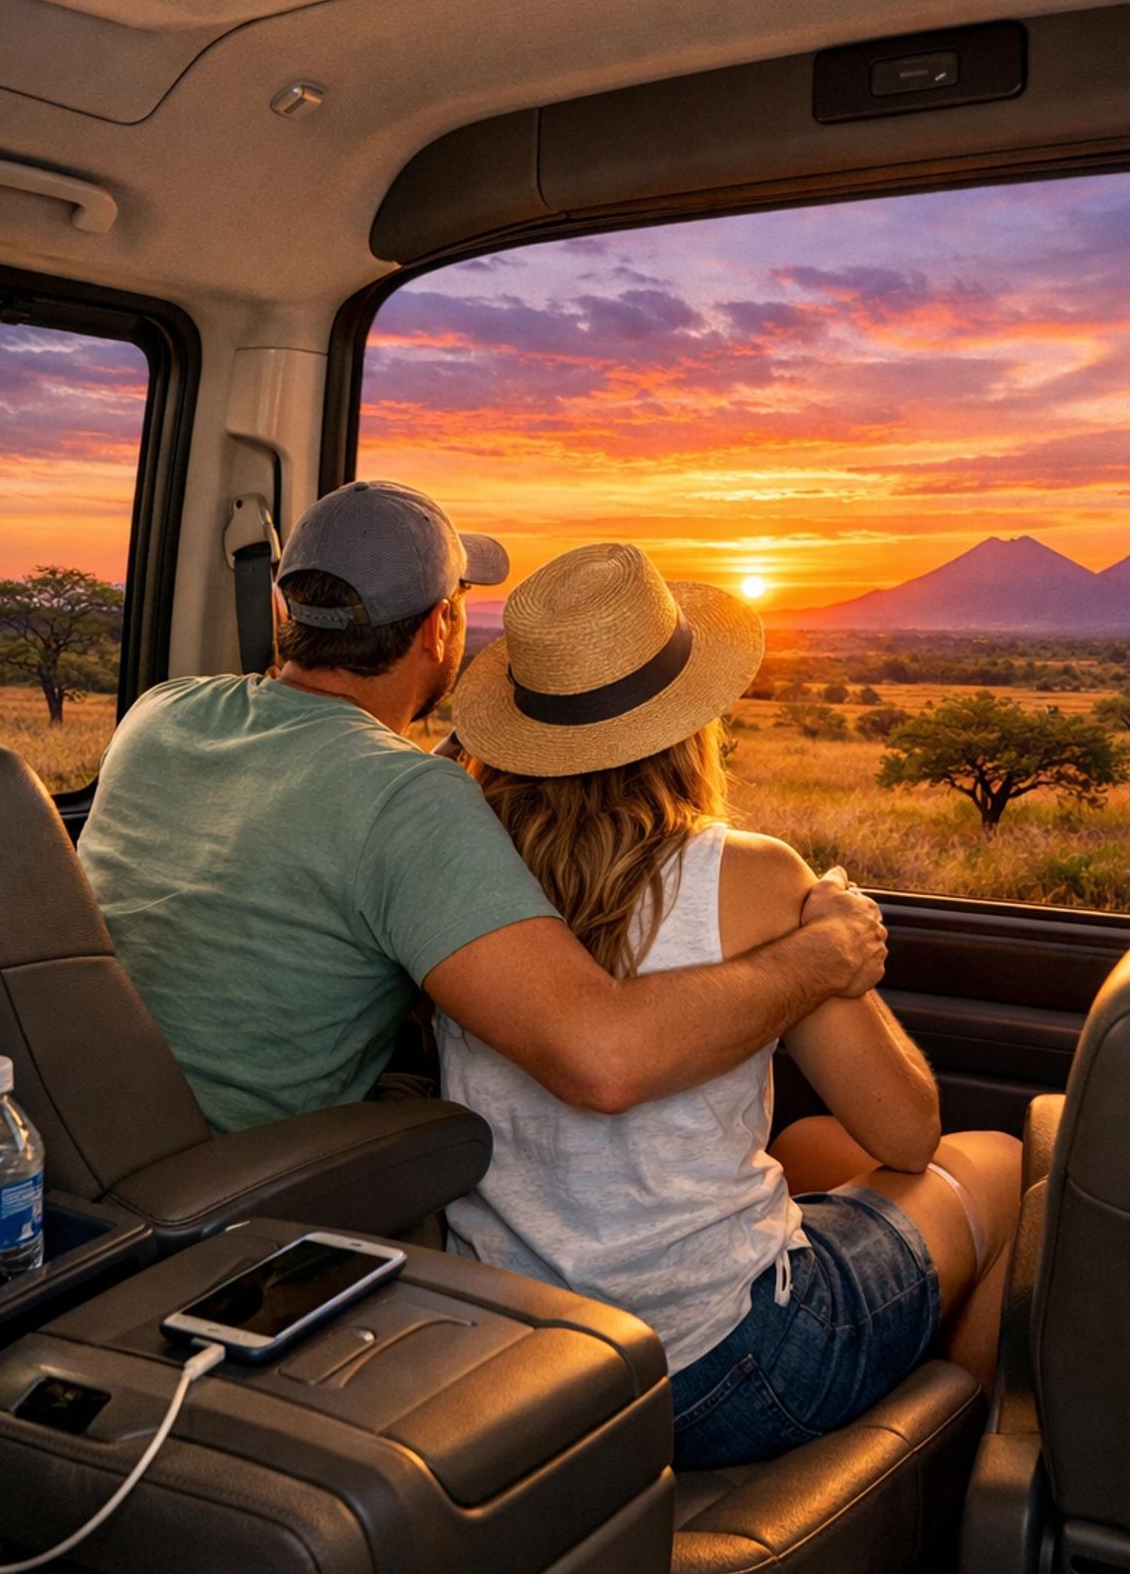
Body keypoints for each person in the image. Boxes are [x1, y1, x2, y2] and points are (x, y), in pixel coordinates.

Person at [437, 540, 1021, 1464]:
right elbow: (908, 1132)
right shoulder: (746, 874)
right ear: (690, 720)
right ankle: (949, 1466)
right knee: (993, 1161)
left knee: (803, 1149)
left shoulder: (457, 875)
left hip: (522, 1345)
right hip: (721, 1366)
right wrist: (838, 953)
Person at [79, 481, 886, 1137]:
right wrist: (820, 954)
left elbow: (306, 800)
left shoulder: (161, 711)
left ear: (287, 612)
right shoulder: (408, 798)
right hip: (246, 1191)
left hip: (100, 1136)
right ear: (440, 628)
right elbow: (602, 1063)